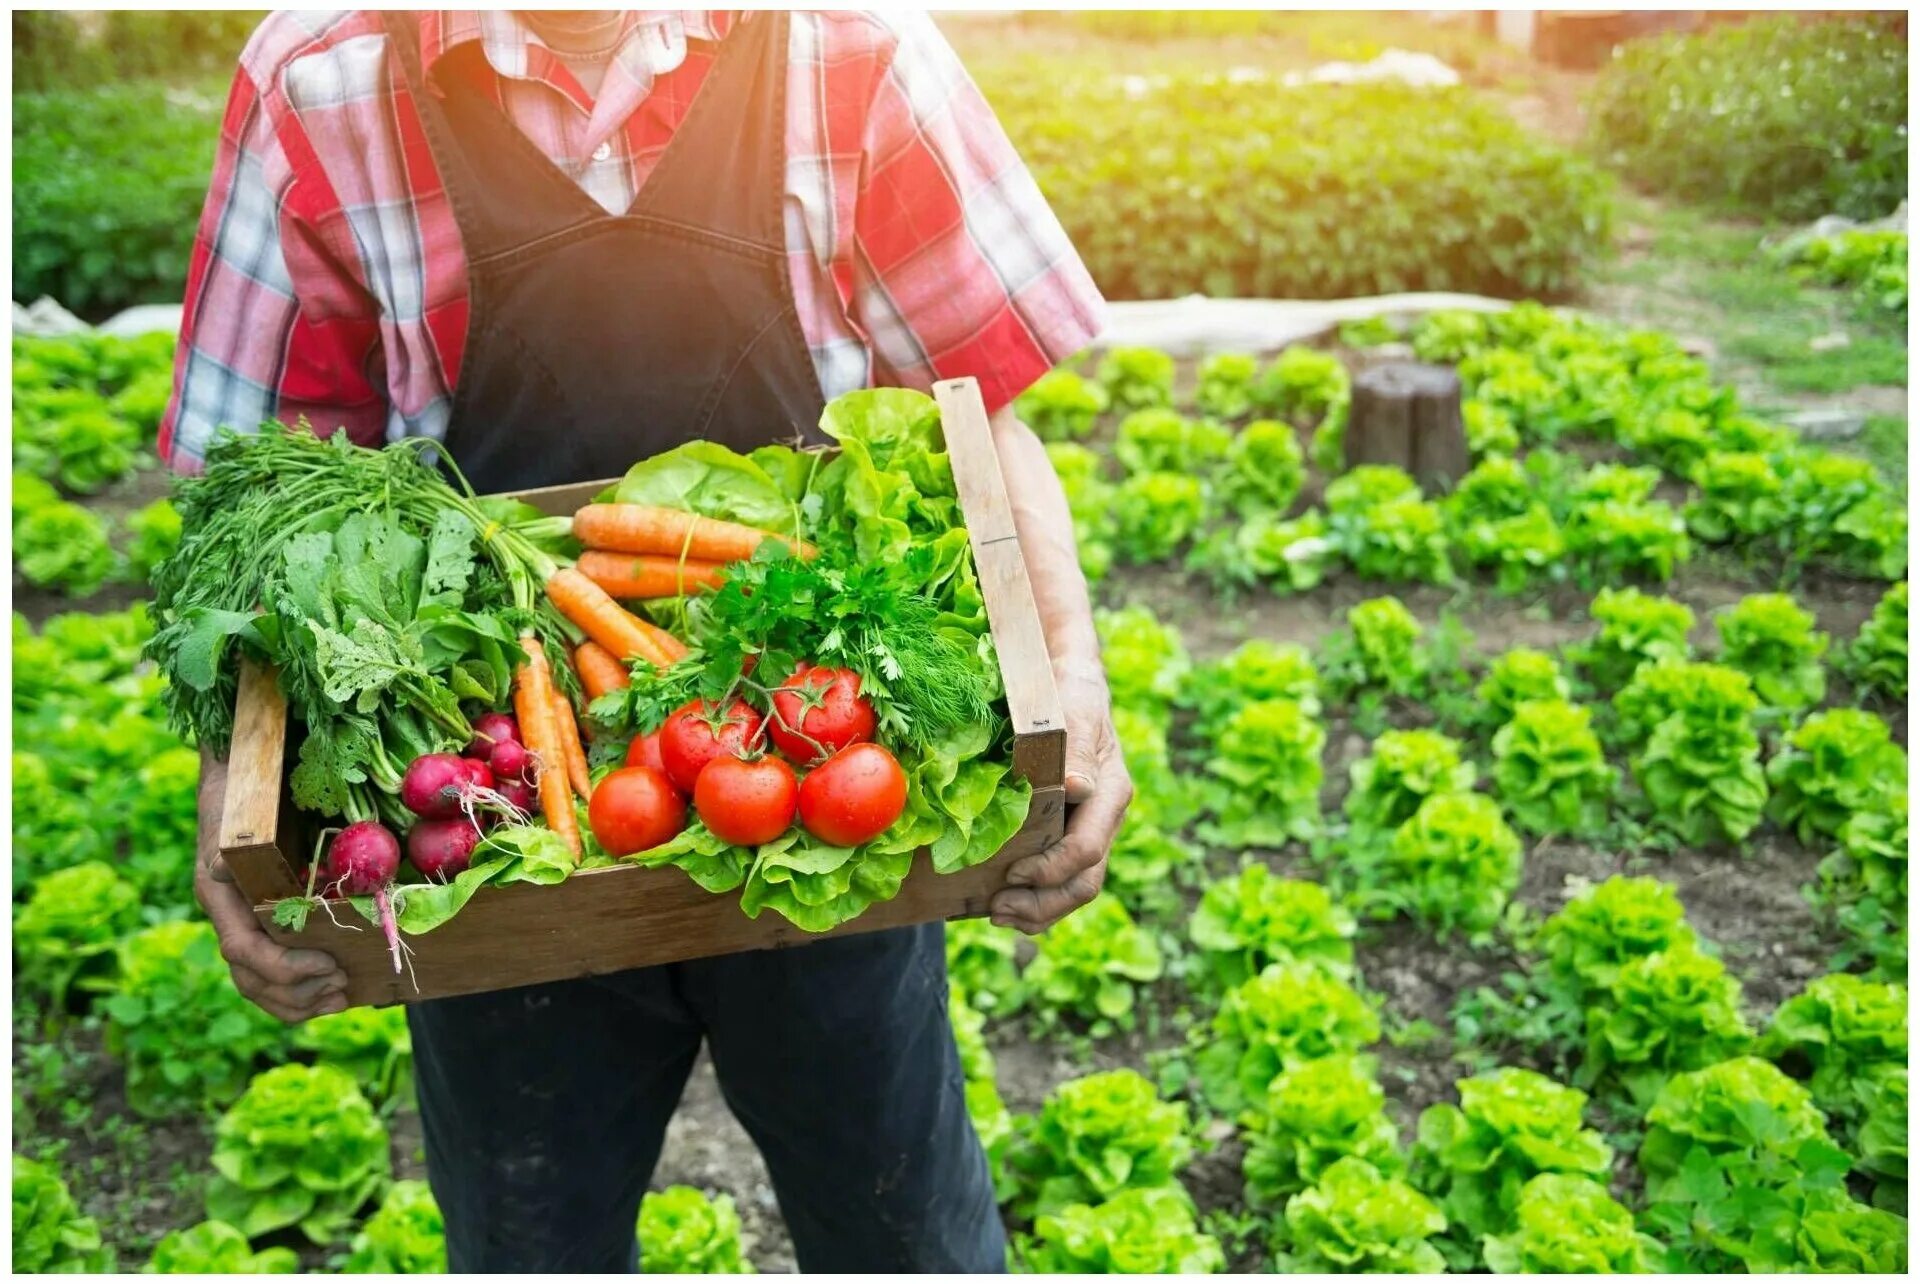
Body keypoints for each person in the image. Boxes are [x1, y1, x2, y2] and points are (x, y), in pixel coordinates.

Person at [163, 10, 1129, 1273]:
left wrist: (1075, 682)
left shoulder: (850, 47)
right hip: (508, 811)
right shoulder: (320, 79)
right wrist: (229, 808)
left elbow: (982, 404)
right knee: (529, 1237)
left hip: (817, 784)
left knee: (904, 1226)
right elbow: (263, 508)